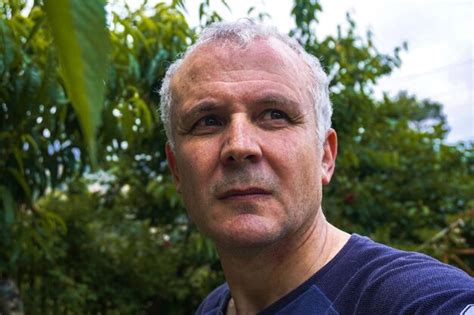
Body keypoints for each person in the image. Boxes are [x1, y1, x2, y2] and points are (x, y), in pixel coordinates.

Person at [159, 19, 474, 314]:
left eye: (274, 115)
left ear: (326, 156)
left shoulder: (414, 299)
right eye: (208, 121)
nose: (240, 146)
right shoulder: (214, 306)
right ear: (177, 170)